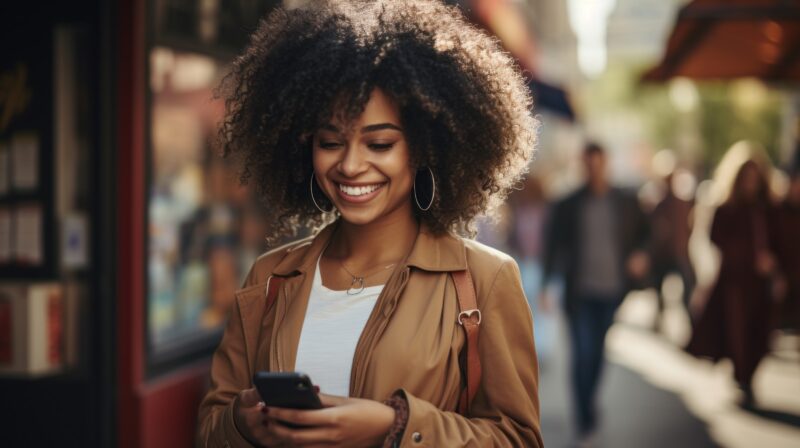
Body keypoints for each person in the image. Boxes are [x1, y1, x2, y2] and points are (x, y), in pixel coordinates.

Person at [196, 1, 543, 447]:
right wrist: (241, 423)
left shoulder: (483, 280)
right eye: (330, 142)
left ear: (424, 147)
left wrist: (394, 425)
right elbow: (210, 429)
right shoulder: (270, 278)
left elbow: (518, 438)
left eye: (379, 144)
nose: (350, 165)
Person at [540, 142, 650, 441]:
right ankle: (584, 416)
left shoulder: (625, 201)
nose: (594, 170)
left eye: (598, 164)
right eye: (588, 165)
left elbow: (648, 233)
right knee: (582, 353)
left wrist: (641, 254)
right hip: (579, 294)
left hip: (612, 291)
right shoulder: (568, 204)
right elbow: (552, 245)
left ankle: (588, 404)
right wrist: (547, 285)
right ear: (582, 166)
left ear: (606, 164)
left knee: (598, 353)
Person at [687, 155, 779, 409]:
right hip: (735, 281)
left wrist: (773, 264)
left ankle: (748, 374)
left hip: (761, 283)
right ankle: (742, 377)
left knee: (761, 334)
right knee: (737, 332)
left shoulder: (768, 208)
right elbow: (717, 239)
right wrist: (749, 256)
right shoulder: (727, 207)